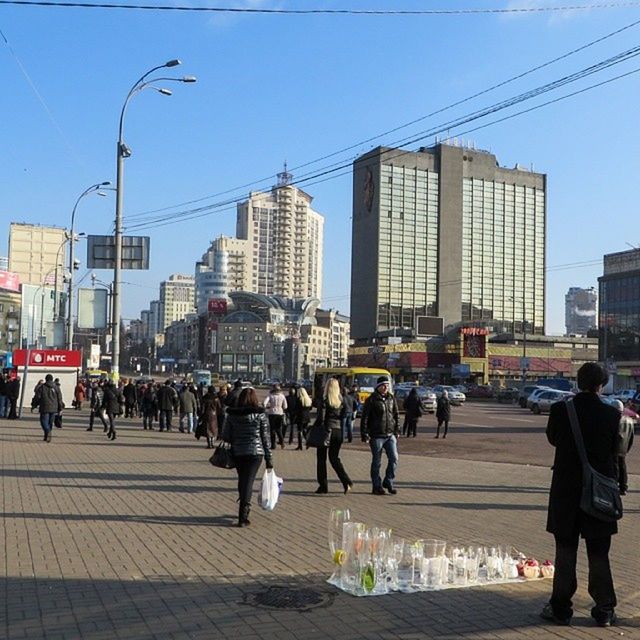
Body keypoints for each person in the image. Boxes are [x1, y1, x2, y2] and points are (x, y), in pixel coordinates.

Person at [541, 362, 621, 628]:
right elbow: (615, 450)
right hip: (599, 492)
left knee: (565, 551)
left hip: (566, 493)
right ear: (602, 384)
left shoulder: (560, 411)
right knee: (599, 553)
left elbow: (553, 439)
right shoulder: (611, 415)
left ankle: (561, 609)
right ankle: (604, 610)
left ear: (578, 382)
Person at [221, 387, 273, 527]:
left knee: (242, 479)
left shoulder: (232, 415)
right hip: (255, 453)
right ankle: (243, 515)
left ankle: (243, 503)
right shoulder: (260, 415)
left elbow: (225, 435)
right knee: (248, 481)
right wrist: (269, 459)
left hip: (238, 452)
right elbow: (265, 438)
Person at [361, 376, 399, 495]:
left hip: (390, 434)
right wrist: (365, 433)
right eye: (383, 385)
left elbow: (395, 415)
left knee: (394, 458)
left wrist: (396, 430)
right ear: (378, 387)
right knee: (377, 461)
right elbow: (365, 417)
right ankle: (376, 486)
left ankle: (389, 481)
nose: (386, 387)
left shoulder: (391, 398)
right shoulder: (372, 400)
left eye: (387, 385)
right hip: (377, 435)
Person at [314, 378, 353, 495]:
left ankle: (323, 486)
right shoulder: (342, 400)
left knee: (321, 459)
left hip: (326, 432)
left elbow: (321, 419)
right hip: (338, 432)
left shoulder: (325, 401)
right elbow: (345, 414)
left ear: (327, 387)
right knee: (334, 458)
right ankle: (346, 481)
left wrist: (313, 428)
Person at [612, 400, 634, 496]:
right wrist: (627, 448)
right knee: (622, 467)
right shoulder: (629, 420)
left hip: (614, 447)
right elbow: (631, 436)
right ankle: (623, 487)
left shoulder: (614, 419)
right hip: (624, 447)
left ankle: (615, 485)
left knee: (615, 467)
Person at [37, 374, 63, 442]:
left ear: (46, 379)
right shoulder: (56, 387)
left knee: (44, 422)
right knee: (50, 422)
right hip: (54, 408)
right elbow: (59, 398)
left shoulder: (42, 387)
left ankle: (47, 432)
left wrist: (34, 405)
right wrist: (60, 408)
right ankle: (47, 435)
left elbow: (37, 397)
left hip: (44, 407)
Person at [264, 384, 287, 450]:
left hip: (272, 413)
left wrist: (268, 407)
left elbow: (264, 403)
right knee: (279, 429)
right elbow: (285, 406)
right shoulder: (282, 396)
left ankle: (273, 445)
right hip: (280, 413)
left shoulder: (270, 395)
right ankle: (282, 442)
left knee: (272, 430)